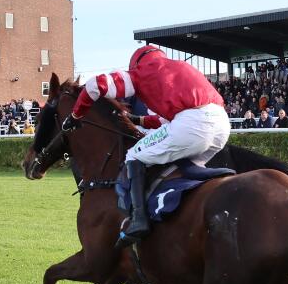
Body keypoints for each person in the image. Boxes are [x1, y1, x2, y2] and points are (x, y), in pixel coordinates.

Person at [62, 45, 229, 248]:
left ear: (136, 63)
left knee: (134, 154)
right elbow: (169, 118)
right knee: (180, 162)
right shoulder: (181, 67)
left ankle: (139, 220)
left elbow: (94, 86)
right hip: (221, 124)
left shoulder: (140, 72)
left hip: (192, 124)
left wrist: (76, 115)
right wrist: (138, 120)